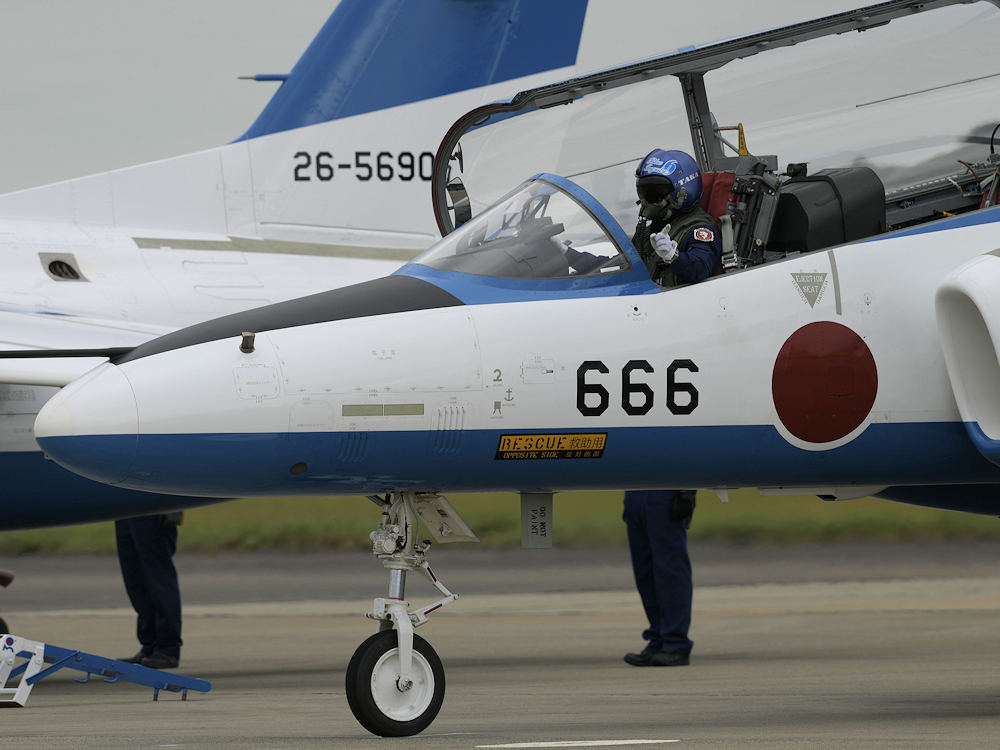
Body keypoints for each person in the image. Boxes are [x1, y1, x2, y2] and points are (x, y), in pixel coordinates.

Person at [623, 490, 696, 666]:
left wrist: (686, 492)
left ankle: (675, 643)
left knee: (670, 571)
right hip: (634, 491)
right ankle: (658, 639)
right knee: (645, 573)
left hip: (663, 489)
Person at [632, 148, 721, 286]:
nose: (647, 202)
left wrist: (673, 256)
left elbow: (700, 268)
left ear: (682, 194)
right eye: (645, 193)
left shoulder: (699, 231)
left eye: (655, 194)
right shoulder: (648, 231)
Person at [116, 512, 183, 669]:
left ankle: (168, 648)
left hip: (151, 509)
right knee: (136, 580)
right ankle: (150, 645)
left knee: (158, 579)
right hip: (124, 510)